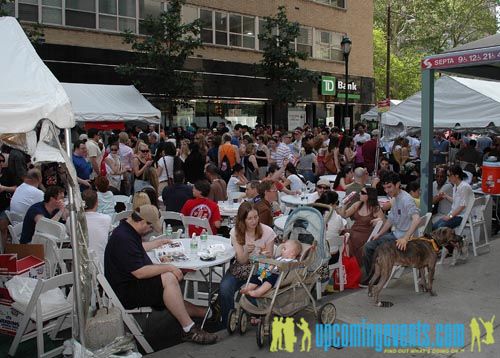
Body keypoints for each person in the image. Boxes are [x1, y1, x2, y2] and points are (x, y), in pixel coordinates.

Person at [104, 205, 217, 344]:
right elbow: (139, 272)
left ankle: (206, 313)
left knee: (170, 287)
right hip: (126, 292)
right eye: (150, 227)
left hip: (128, 284)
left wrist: (158, 243)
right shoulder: (124, 238)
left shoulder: (125, 230)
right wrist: (169, 267)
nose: (150, 230)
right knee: (169, 279)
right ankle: (189, 329)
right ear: (142, 222)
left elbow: (137, 248)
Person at [220, 202, 276, 326]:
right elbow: (241, 260)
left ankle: (255, 313)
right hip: (242, 266)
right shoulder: (236, 232)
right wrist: (246, 251)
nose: (254, 221)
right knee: (224, 289)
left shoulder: (267, 231)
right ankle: (227, 323)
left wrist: (265, 255)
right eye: (249, 218)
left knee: (258, 282)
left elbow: (270, 259)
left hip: (262, 266)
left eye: (256, 217)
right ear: (243, 219)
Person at [361, 172, 420, 286]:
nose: (387, 191)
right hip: (396, 234)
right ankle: (374, 276)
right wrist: (379, 234)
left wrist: (405, 238)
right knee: (370, 244)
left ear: (397, 184)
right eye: (385, 188)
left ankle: (374, 278)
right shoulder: (396, 197)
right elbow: (391, 220)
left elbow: (416, 219)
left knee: (369, 248)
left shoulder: (406, 200)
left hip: (401, 239)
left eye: (389, 187)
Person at [338, 187, 384, 270]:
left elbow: (382, 222)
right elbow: (344, 215)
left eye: (362, 192)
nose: (359, 194)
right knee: (343, 234)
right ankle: (348, 263)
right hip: (354, 231)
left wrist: (379, 220)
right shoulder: (358, 204)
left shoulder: (375, 208)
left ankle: (348, 264)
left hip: (365, 234)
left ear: (369, 196)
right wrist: (345, 205)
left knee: (347, 237)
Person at [432, 165, 473, 230]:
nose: (448, 178)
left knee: (440, 226)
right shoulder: (456, 186)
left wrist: (450, 216)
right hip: (455, 214)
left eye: (449, 175)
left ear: (456, 175)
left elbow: (462, 206)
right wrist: (446, 196)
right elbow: (456, 201)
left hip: (462, 216)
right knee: (434, 226)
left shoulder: (464, 187)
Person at [83, 189, 112, 269]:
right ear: (97, 202)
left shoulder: (71, 220)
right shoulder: (106, 219)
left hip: (80, 264)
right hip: (101, 265)